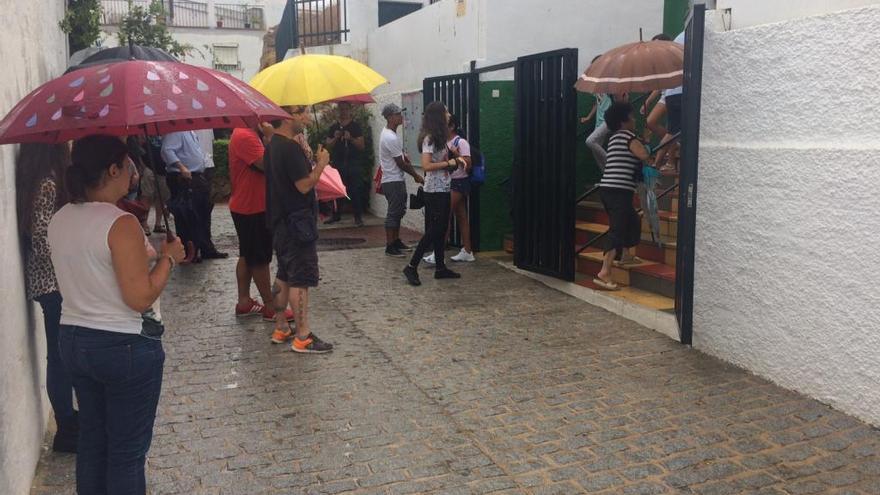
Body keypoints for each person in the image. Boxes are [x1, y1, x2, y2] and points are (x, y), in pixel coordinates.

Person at [49, 135, 185, 494]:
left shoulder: (60, 218)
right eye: (128, 165)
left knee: (93, 443)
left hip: (75, 339)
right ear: (112, 169)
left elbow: (93, 271)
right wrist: (170, 259)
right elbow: (139, 297)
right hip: (122, 346)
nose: (133, 172)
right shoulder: (120, 223)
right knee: (126, 454)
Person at [14, 142, 78, 453]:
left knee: (61, 353)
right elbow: (41, 238)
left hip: (51, 282)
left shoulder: (41, 180)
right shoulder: (48, 184)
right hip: (52, 283)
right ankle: (66, 427)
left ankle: (68, 419)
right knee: (60, 355)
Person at [265, 106, 334, 353]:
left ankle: (282, 326)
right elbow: (304, 185)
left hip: (280, 222)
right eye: (300, 110)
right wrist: (321, 165)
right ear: (286, 116)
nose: (305, 116)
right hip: (297, 223)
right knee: (300, 278)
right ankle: (303, 336)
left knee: (283, 275)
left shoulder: (273, 145)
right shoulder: (289, 147)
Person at [228, 124, 295, 322]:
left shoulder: (246, 133)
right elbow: (267, 164)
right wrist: (273, 138)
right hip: (252, 206)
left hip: (249, 204)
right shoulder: (245, 135)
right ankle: (270, 305)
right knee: (259, 257)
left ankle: (244, 302)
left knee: (248, 254)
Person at [402, 101, 463, 286]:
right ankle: (411, 266)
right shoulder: (429, 138)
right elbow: (427, 165)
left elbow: (443, 158)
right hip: (434, 190)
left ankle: (440, 267)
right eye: (445, 111)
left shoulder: (440, 138)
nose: (448, 113)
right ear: (438, 115)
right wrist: (449, 164)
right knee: (435, 229)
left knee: (441, 228)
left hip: (442, 187)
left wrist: (454, 156)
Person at [593, 103, 651, 290]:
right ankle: (605, 271)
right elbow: (643, 155)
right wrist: (646, 142)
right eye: (632, 117)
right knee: (617, 229)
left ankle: (625, 255)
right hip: (619, 190)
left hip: (608, 189)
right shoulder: (628, 136)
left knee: (632, 220)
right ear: (623, 121)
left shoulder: (614, 138)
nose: (634, 120)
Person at [161, 130, 227, 262]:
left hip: (196, 176)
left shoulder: (190, 132)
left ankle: (206, 247)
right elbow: (166, 151)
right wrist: (181, 167)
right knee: (188, 215)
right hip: (184, 178)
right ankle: (189, 250)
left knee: (202, 213)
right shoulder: (176, 132)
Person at [423, 114, 475, 264]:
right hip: (451, 181)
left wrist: (456, 154)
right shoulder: (442, 141)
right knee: (461, 216)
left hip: (459, 182)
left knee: (444, 217)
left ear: (451, 126)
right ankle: (467, 250)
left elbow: (468, 164)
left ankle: (438, 253)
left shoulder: (461, 142)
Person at [379, 103, 424, 257]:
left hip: (394, 178)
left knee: (398, 211)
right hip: (393, 180)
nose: (401, 116)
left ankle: (396, 241)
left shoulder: (389, 134)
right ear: (390, 117)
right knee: (394, 212)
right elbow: (400, 163)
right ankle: (390, 245)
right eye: (398, 114)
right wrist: (416, 175)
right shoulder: (390, 137)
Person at [324, 102, 366, 226]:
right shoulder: (333, 127)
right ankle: (336, 215)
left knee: (354, 190)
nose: (343, 112)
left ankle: (358, 217)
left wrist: (351, 139)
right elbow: (328, 145)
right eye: (341, 109)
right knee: (337, 190)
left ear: (350, 110)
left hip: (353, 162)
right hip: (338, 162)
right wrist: (336, 137)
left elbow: (362, 146)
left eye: (345, 109)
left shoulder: (355, 127)